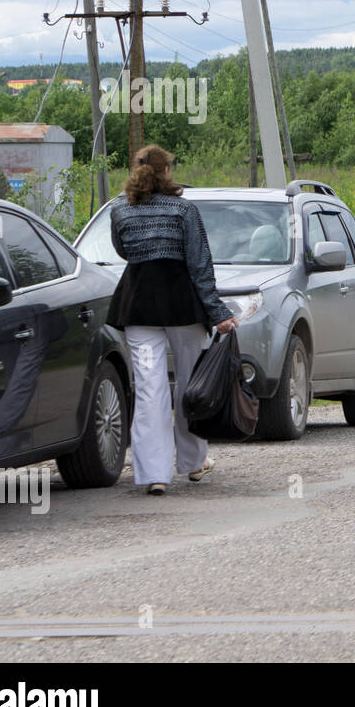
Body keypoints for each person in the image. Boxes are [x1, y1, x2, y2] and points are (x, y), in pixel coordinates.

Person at [107, 145, 236, 496]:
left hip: (138, 306)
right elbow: (199, 265)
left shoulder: (119, 210)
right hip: (182, 307)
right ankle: (193, 463)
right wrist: (219, 313)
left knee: (150, 389)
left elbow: (122, 251)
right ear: (166, 171)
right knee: (191, 385)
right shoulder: (184, 209)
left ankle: (155, 474)